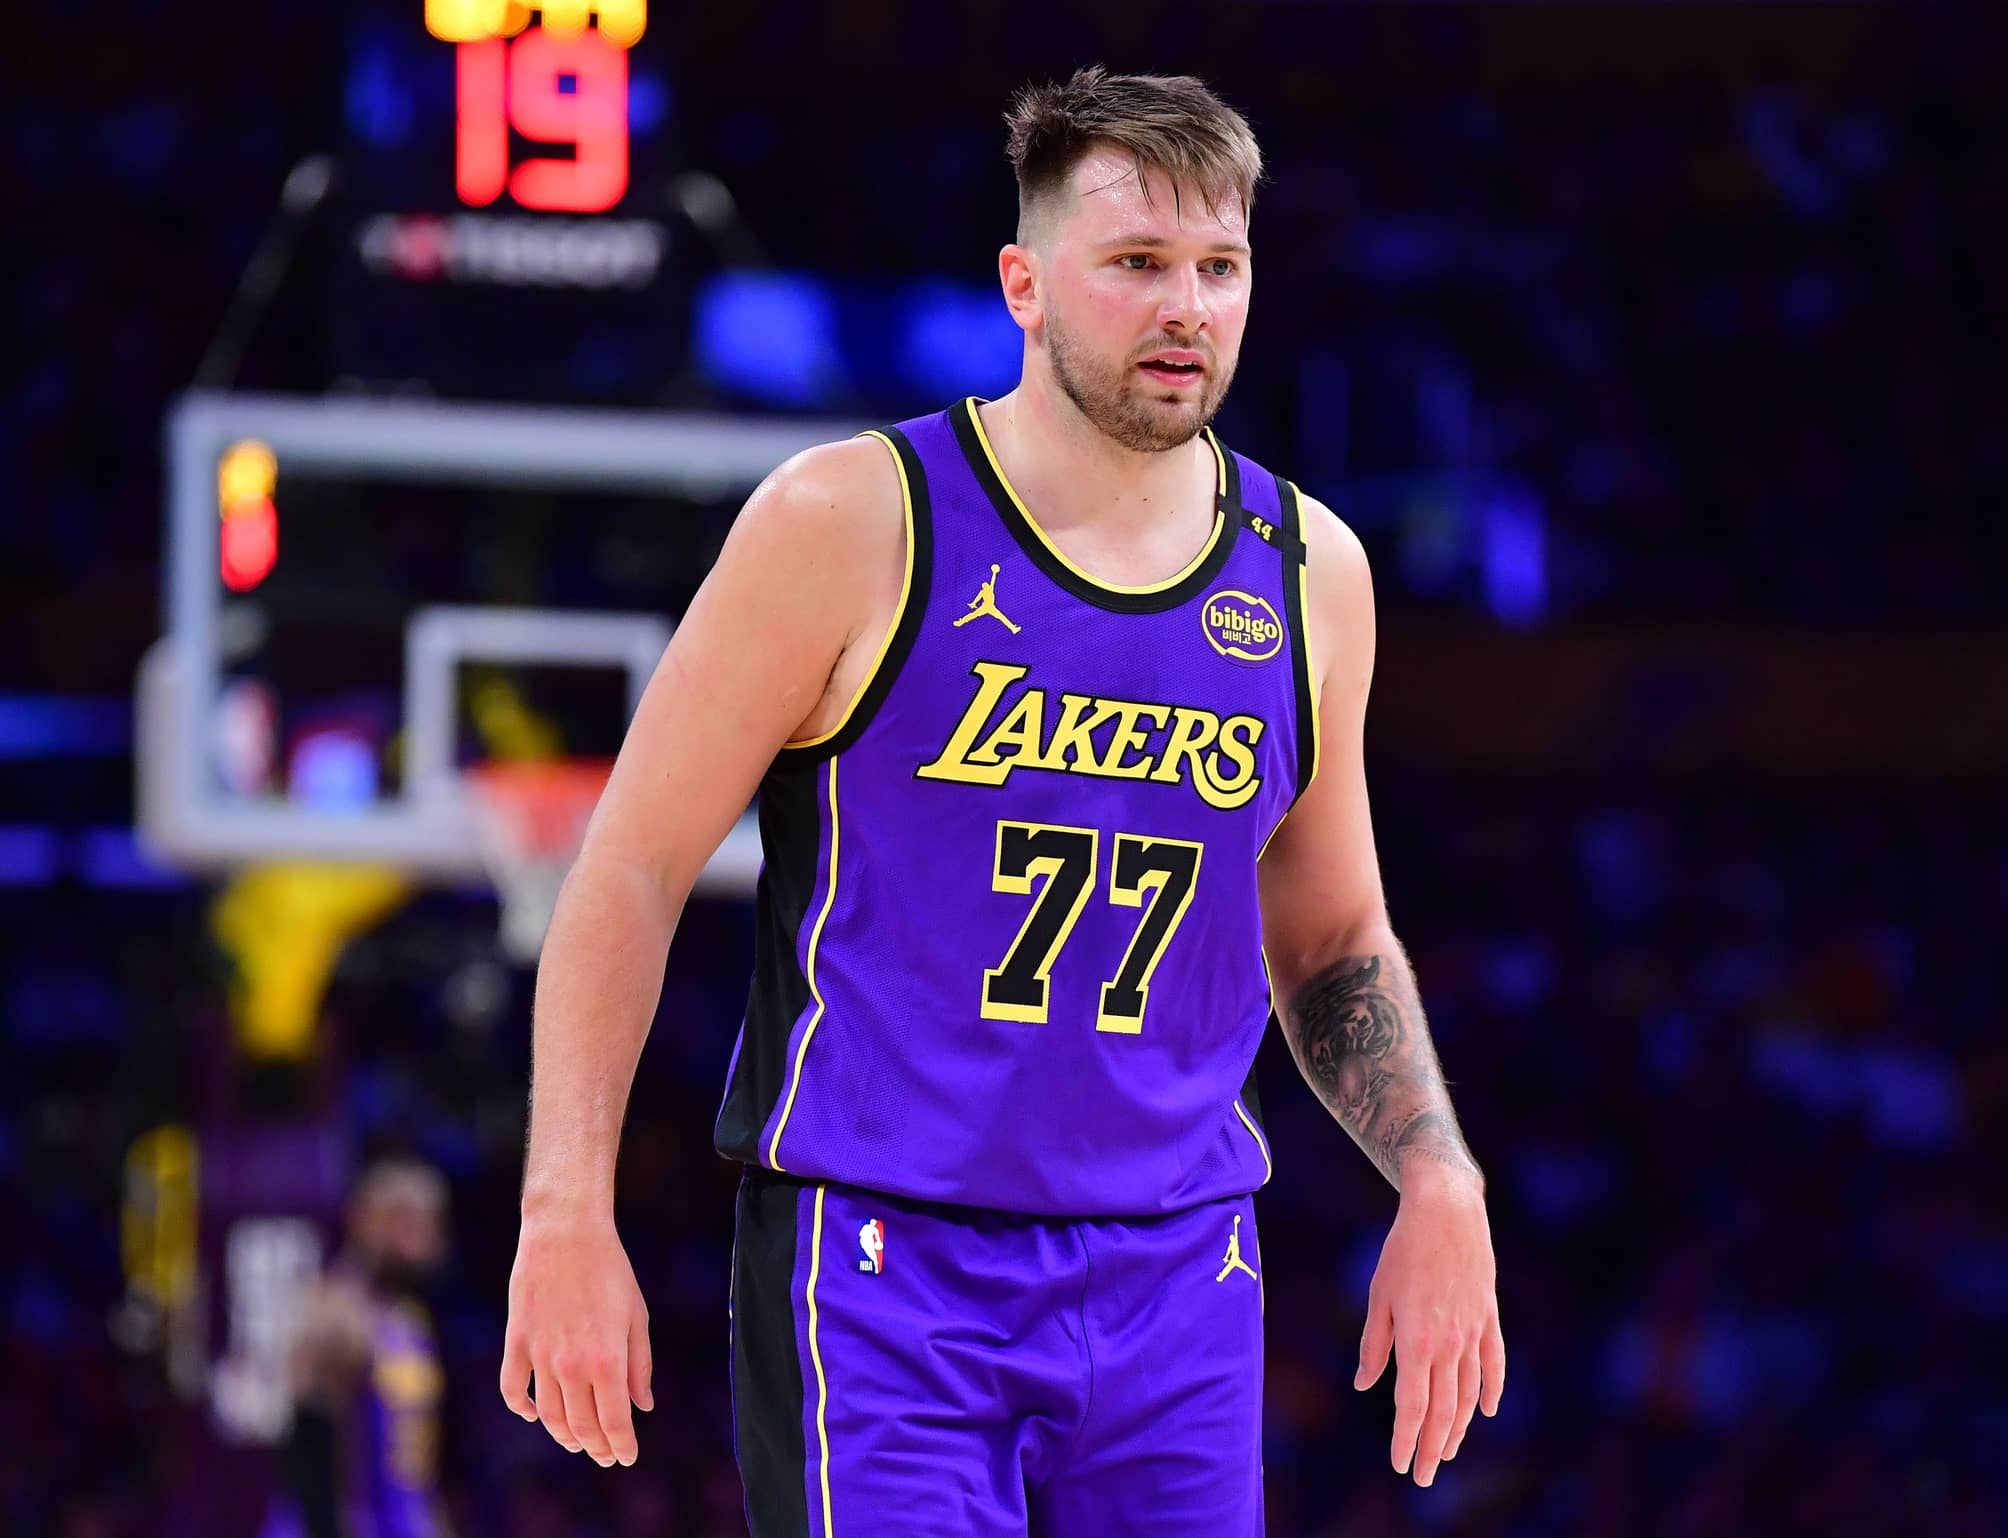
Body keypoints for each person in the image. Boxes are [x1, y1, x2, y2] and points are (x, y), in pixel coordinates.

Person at [501, 66, 1505, 1535]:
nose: (1186, 308)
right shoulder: (848, 521)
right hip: (883, 1262)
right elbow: (632, 866)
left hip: (1179, 1270)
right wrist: (560, 1208)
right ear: (1023, 283)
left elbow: (1332, 928)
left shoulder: (1308, 572)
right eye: (1137, 265)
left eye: (1218, 267)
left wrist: (1436, 1175)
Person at [269, 1159, 456, 1538]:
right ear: (362, 1218)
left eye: (425, 1222)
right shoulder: (338, 1308)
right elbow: (308, 1441)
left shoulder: (406, 1316)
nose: (416, 1239)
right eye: (401, 1220)